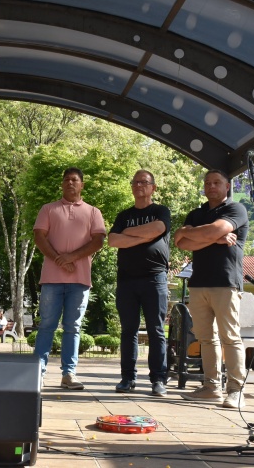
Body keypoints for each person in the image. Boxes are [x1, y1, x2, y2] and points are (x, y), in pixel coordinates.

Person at [174, 169, 249, 409]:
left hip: (226, 282)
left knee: (230, 337)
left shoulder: (236, 209)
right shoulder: (196, 213)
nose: (211, 186)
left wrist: (202, 234)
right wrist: (215, 237)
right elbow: (181, 241)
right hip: (198, 283)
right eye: (207, 183)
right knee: (206, 339)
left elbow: (208, 231)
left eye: (217, 182)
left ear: (227, 186)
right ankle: (210, 387)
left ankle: (236, 390)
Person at [33, 167, 106, 390]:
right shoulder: (48, 209)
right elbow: (39, 236)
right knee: (46, 325)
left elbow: (98, 241)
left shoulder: (93, 212)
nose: (70, 183)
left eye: (75, 180)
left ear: (82, 185)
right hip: (51, 278)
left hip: (80, 280)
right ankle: (37, 372)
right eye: (66, 180)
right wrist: (58, 259)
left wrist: (71, 257)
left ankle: (69, 374)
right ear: (62, 184)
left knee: (73, 327)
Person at [108, 169, 171, 396]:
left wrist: (129, 234)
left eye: (144, 182)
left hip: (155, 278)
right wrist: (143, 236)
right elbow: (113, 240)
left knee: (156, 330)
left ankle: (158, 379)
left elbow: (159, 229)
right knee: (128, 331)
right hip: (126, 281)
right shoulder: (123, 215)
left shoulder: (160, 210)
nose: (138, 185)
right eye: (135, 182)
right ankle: (127, 378)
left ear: (153, 187)